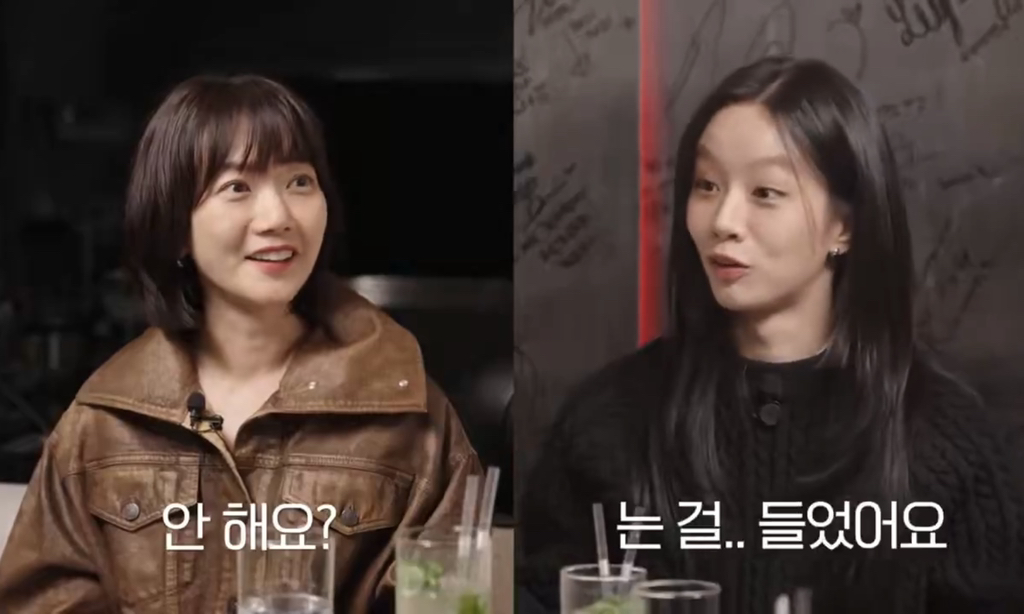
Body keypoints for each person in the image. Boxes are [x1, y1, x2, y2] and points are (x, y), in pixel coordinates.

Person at [517, 56, 1024, 613]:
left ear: (844, 226)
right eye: (707, 185)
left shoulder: (944, 441)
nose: (723, 220)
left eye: (765, 192)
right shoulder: (608, 422)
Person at [0, 74, 481, 613]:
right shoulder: (102, 424)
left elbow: (449, 599)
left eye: (299, 182)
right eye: (237, 188)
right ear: (176, 227)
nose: (279, 218)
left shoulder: (408, 414)